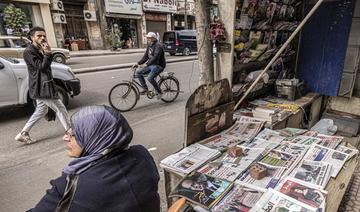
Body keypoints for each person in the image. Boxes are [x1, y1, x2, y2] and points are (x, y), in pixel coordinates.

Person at [28, 105, 160, 212]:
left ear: (95, 139)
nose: (65, 138)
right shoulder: (142, 155)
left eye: (73, 134)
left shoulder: (70, 185)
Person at [15, 27, 70, 144]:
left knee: (41, 110)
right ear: (32, 37)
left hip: (45, 84)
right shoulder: (29, 51)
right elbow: (42, 67)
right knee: (60, 108)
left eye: (44, 36)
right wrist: (48, 54)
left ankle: (23, 133)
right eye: (39, 36)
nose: (42, 38)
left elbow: (46, 66)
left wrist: (47, 53)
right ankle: (70, 132)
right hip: (41, 87)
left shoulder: (39, 48)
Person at [133, 32, 166, 99]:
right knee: (138, 72)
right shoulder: (149, 45)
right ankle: (145, 89)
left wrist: (146, 64)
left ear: (153, 38)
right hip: (152, 65)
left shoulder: (158, 45)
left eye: (149, 38)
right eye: (147, 38)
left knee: (150, 78)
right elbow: (146, 57)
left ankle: (159, 92)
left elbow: (155, 57)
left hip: (159, 65)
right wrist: (138, 63)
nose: (147, 39)